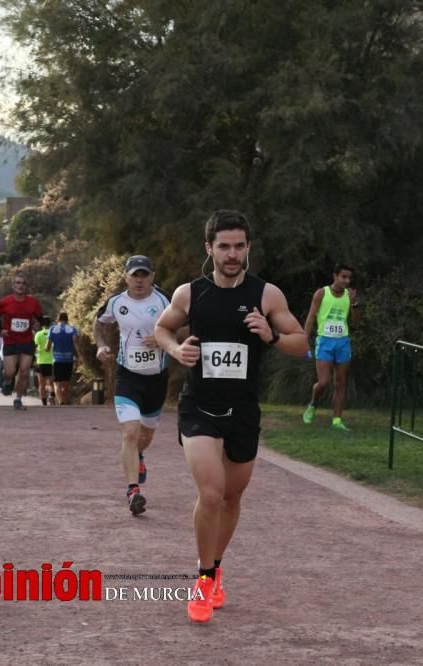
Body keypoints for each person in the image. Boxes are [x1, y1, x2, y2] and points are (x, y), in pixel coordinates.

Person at [154, 210, 308, 623]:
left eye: (239, 246)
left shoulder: (266, 295)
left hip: (242, 410)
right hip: (199, 405)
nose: (232, 253)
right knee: (211, 493)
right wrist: (176, 350)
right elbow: (162, 329)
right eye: (224, 246)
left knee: (233, 497)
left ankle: (216, 567)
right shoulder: (191, 293)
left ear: (248, 248)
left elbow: (301, 343)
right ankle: (203, 580)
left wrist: (271, 335)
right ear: (209, 249)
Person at [95, 255, 171, 515]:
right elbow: (100, 323)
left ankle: (138, 456)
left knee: (145, 436)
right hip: (127, 376)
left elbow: (185, 329)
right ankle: (133, 490)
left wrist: (163, 339)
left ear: (152, 276)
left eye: (144, 275)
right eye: (134, 275)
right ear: (126, 276)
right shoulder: (116, 302)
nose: (139, 280)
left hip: (157, 379)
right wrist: (102, 345)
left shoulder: (164, 301)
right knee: (129, 431)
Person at [302, 263, 358, 431]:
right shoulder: (321, 293)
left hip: (343, 342)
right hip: (325, 341)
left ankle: (337, 420)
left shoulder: (350, 295)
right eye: (343, 277)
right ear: (335, 276)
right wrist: (304, 341)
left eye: (349, 278)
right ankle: (313, 403)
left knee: (340, 383)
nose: (346, 281)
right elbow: (311, 317)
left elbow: (356, 323)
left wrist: (355, 304)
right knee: (324, 382)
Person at [0, 274, 42, 410]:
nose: (20, 285)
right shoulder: (5, 302)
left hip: (26, 341)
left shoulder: (33, 302)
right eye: (18, 283)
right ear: (13, 286)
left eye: (23, 283)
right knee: (10, 371)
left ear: (26, 287)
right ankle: (8, 381)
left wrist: (38, 325)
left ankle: (18, 399)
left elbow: (40, 318)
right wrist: (0, 329)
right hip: (10, 341)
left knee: (24, 371)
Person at [47, 313, 80, 405]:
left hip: (57, 360)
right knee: (66, 382)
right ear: (67, 319)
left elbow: (48, 346)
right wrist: (79, 355)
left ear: (58, 319)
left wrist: (47, 349)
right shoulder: (72, 329)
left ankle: (60, 402)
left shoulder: (53, 329)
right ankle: (65, 402)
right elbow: (75, 343)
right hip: (69, 359)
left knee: (57, 382)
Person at [34, 316, 55, 405]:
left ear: (42, 324)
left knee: (41, 384)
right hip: (51, 361)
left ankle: (44, 403)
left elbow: (35, 347)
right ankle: (52, 397)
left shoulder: (38, 334)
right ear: (50, 323)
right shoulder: (53, 333)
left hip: (40, 361)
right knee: (51, 382)